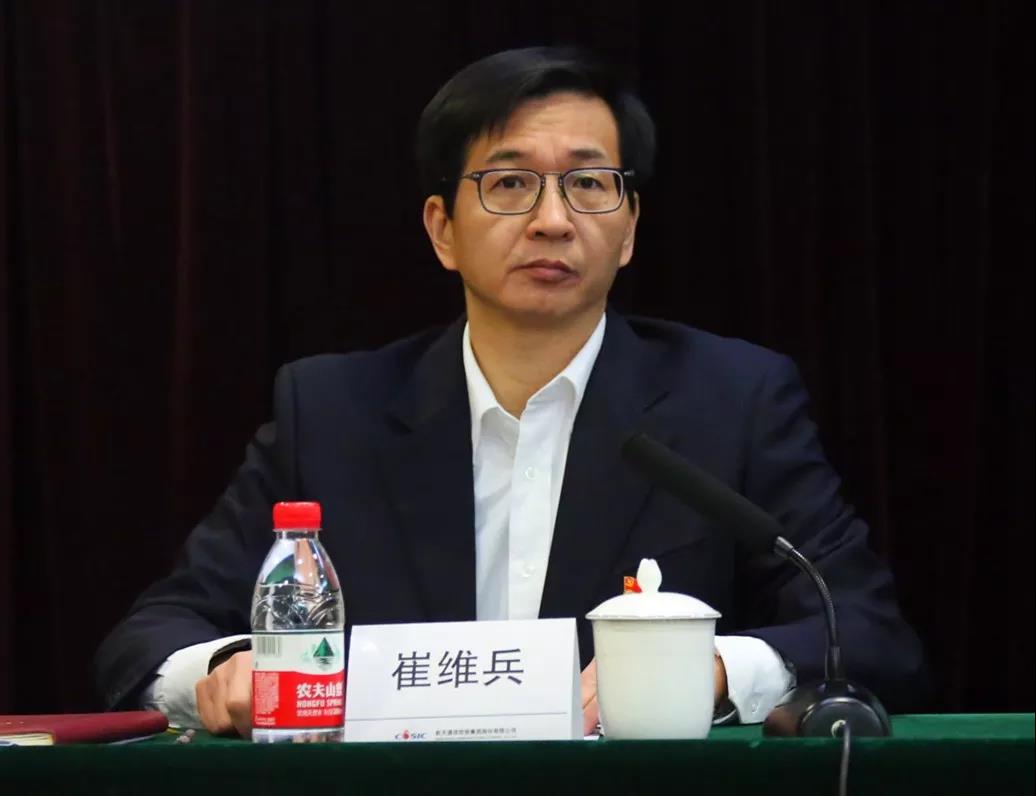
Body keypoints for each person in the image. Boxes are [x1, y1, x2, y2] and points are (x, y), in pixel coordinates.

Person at [95, 46, 927, 738]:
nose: (552, 220)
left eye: (589, 184)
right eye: (509, 183)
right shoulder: (332, 411)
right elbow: (153, 634)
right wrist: (227, 669)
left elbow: (862, 627)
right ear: (442, 229)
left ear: (629, 228)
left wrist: (706, 668)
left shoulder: (731, 400)